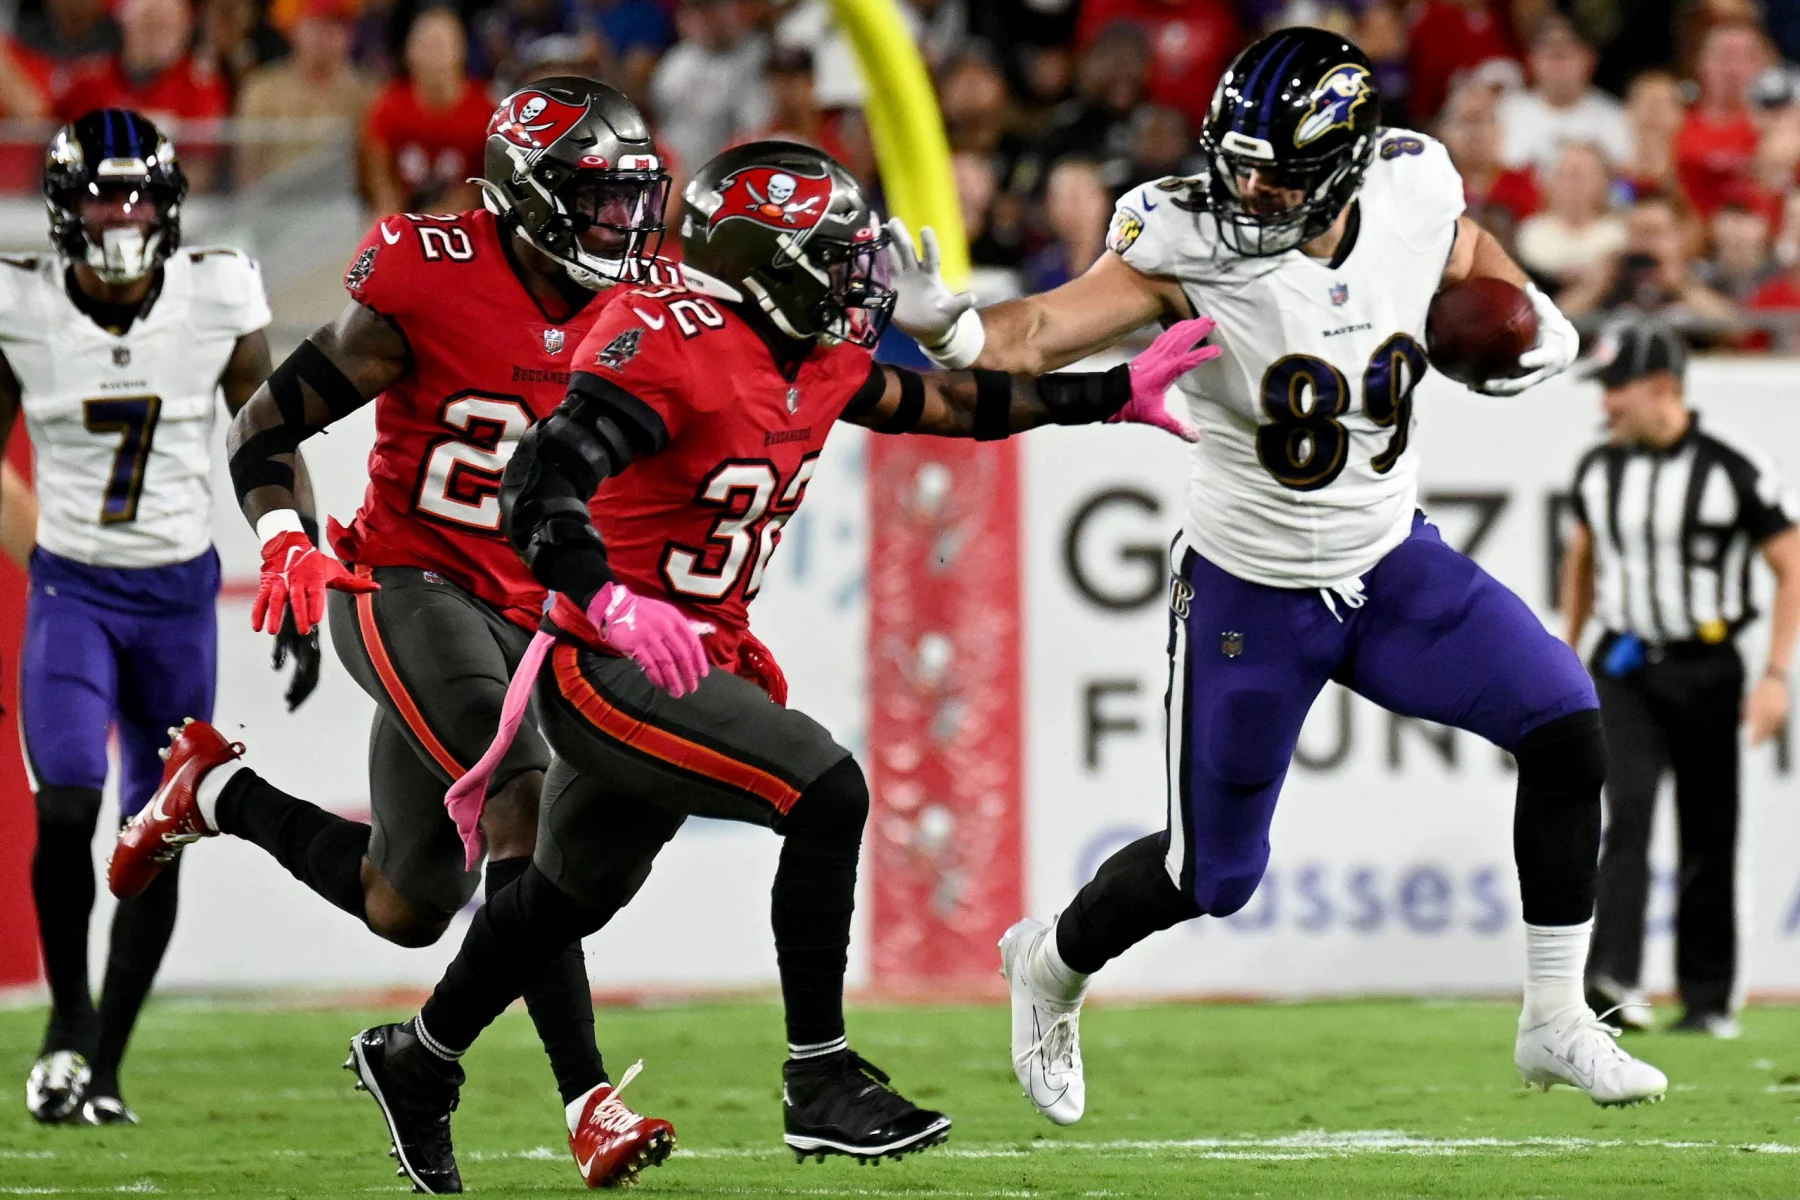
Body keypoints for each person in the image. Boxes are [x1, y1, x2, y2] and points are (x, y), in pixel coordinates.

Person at [306, 139, 1198, 1191]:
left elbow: (952, 407)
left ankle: (418, 1059)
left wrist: (1106, 395)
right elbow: (541, 479)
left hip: (698, 653)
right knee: (826, 788)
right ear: (766, 267)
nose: (857, 280)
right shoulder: (677, 340)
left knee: (563, 896)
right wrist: (607, 595)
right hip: (611, 660)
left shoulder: (813, 354)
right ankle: (819, 1080)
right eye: (833, 258)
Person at [887, 26, 1670, 1121]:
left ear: (1347, 166)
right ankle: (1050, 967)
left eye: (1278, 170)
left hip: (1391, 562)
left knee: (1565, 722)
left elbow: (1469, 257)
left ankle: (1555, 1018)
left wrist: (1530, 321)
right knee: (1207, 877)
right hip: (1254, 586)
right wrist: (961, 334)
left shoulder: (1411, 187)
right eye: (1237, 161)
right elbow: (1045, 332)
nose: (1248, 188)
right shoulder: (1186, 237)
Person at [109, 78, 679, 1191]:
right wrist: (283, 538)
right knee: (521, 796)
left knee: (406, 905)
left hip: (535, 613)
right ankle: (589, 1103)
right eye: (598, 200)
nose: (623, 224)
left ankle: (213, 793)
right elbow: (265, 423)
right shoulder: (431, 274)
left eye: (630, 200)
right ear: (530, 198)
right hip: (402, 581)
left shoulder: (647, 300)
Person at [1, 109, 304, 1126]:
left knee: (160, 827)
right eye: (101, 194)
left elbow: (267, 430)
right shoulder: (20, 303)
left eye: (137, 195)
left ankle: (110, 1066)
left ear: (168, 207)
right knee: (64, 810)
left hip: (178, 598)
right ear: (64, 206)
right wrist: (40, 548)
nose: (120, 215)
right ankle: (67, 1026)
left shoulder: (219, 288)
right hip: (75, 592)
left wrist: (289, 546)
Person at [1560, 316, 1799, 1038]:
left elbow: (1791, 566)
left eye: (1616, 389)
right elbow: (1583, 556)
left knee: (1708, 828)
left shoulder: (1733, 468)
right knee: (1624, 810)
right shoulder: (1600, 468)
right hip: (1626, 662)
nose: (1604, 405)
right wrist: (1566, 653)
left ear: (1662, 386)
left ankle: (1706, 998)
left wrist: (1775, 676)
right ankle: (1614, 981)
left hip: (1706, 662)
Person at [359, 8, 491, 215]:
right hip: (402, 213)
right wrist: (390, 214)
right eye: (425, 44)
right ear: (408, 51)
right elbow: (378, 173)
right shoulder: (389, 105)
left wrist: (448, 212)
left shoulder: (485, 108)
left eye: (441, 44)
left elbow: (486, 180)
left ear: (461, 48)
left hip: (465, 217)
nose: (433, 54)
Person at [234, 0, 376, 183]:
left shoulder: (367, 95)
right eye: (315, 23)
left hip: (342, 205)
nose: (324, 35)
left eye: (335, 24)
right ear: (293, 29)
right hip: (274, 205)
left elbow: (371, 177)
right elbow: (248, 173)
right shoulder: (261, 91)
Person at [1498, 15, 1632, 175]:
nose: (1558, 57)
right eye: (1548, 49)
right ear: (1531, 58)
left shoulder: (1615, 118)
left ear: (1590, 58)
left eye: (1569, 49)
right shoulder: (1504, 114)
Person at [59, 0, 229, 124]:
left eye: (167, 27)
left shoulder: (200, 89)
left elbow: (202, 161)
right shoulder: (88, 82)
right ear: (125, 23)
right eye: (150, 23)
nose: (158, 38)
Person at [1515, 141, 1627, 291]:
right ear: (1550, 181)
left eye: (1583, 175)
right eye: (1566, 174)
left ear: (1603, 182)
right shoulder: (1531, 232)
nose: (1574, 184)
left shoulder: (1618, 234)